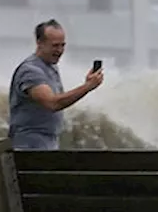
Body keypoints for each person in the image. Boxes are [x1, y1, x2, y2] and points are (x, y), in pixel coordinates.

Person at [7, 18, 103, 150]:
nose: (59, 50)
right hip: (28, 146)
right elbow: (52, 103)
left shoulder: (51, 67)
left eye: (62, 45)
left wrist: (87, 84)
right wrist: (87, 87)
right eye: (55, 45)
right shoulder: (30, 71)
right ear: (39, 43)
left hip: (48, 142)